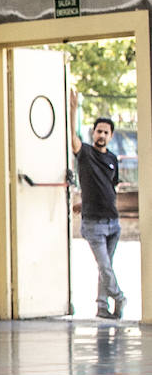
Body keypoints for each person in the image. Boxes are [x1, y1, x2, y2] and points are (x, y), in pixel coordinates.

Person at [71, 112, 124, 318]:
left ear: (111, 136)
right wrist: (73, 111)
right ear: (93, 133)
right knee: (104, 266)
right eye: (98, 131)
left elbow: (109, 187)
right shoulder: (85, 153)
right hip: (93, 224)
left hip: (113, 221)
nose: (101, 135)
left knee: (107, 267)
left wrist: (86, 201)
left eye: (105, 132)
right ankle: (119, 297)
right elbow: (73, 139)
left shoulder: (112, 159)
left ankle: (102, 306)